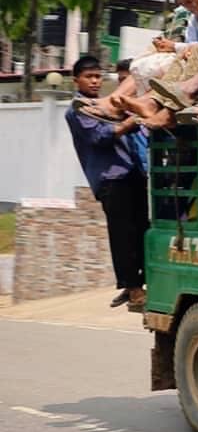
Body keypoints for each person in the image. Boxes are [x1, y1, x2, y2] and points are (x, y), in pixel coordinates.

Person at [64, 56, 149, 310]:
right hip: (110, 179)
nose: (94, 81)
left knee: (142, 228)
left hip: (132, 172)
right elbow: (100, 137)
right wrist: (128, 123)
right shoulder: (78, 110)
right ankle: (132, 287)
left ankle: (138, 283)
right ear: (76, 80)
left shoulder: (108, 105)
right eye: (89, 77)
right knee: (122, 233)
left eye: (98, 76)